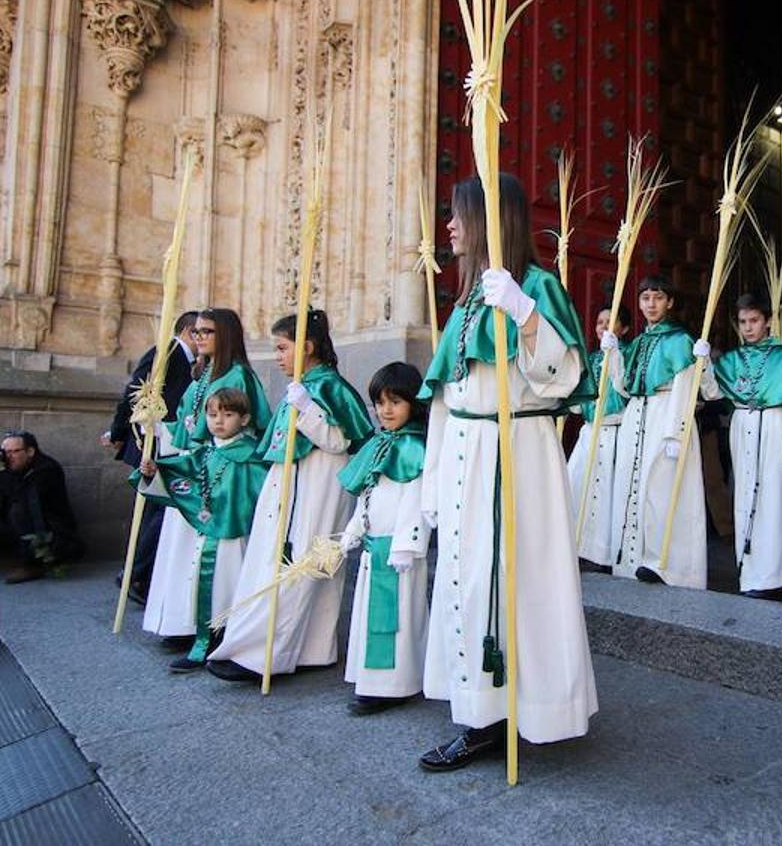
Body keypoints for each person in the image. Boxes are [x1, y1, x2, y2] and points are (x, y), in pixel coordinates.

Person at [417, 172, 597, 772]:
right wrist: (433, 484)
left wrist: (525, 315)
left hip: (517, 451)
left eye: (458, 215)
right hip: (467, 455)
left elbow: (566, 376)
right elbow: (446, 397)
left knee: (521, 582)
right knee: (468, 583)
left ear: (494, 221)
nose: (449, 227)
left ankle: (533, 709)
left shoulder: (537, 286)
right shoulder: (465, 303)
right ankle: (478, 713)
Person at [208, 310, 373, 683]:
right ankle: (312, 648)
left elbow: (340, 441)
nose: (278, 356)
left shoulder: (329, 387)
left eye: (283, 348)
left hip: (318, 482)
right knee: (290, 560)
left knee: (303, 563)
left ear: (308, 347)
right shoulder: (300, 386)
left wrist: (309, 409)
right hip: (289, 481)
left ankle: (265, 654)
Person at [142, 308, 271, 643]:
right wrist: (154, 423)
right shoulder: (201, 375)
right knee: (181, 547)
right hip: (192, 464)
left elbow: (252, 424)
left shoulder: (238, 376)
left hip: (220, 469)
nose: (198, 337)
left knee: (209, 551)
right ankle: (180, 621)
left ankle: (205, 625)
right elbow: (186, 424)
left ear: (224, 335)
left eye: (206, 332)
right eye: (196, 332)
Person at [134, 388, 268, 672]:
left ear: (244, 419)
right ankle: (205, 639)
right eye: (212, 414)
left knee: (231, 585)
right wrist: (153, 470)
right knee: (207, 585)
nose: (219, 421)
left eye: (228, 414)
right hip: (208, 533)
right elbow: (180, 470)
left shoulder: (250, 457)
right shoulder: (206, 452)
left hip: (236, 535)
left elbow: (264, 496)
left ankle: (225, 640)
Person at [601, 274, 718, 589]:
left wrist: (675, 434)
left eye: (657, 297)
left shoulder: (680, 341)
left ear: (670, 302)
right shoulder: (639, 342)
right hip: (638, 415)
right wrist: (613, 356)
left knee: (663, 491)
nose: (650, 304)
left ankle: (669, 565)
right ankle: (633, 559)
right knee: (634, 486)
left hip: (667, 415)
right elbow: (624, 388)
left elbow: (695, 390)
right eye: (645, 298)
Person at [337, 362, 430, 715]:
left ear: (412, 403)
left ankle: (397, 683)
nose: (385, 410)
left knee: (399, 620)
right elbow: (368, 494)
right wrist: (352, 532)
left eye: (395, 402)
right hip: (374, 548)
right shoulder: (380, 444)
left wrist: (407, 544)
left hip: (399, 551)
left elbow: (415, 498)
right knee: (370, 617)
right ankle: (372, 679)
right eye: (379, 402)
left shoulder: (414, 447)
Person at [711, 294, 782, 599]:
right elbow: (713, 392)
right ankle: (750, 573)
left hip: (775, 429)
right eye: (743, 322)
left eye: (754, 321)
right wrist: (703, 364)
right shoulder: (731, 360)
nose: (748, 328)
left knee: (774, 502)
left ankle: (773, 576)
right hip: (743, 427)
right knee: (744, 500)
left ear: (767, 321)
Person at [104, 310, 198, 604]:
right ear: (187, 331)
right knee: (157, 510)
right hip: (153, 443)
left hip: (166, 442)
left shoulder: (187, 361)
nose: (203, 340)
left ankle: (138, 574)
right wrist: (118, 430)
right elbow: (135, 389)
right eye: (200, 333)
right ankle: (137, 575)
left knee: (154, 512)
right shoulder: (166, 352)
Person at [0, 431, 83, 585]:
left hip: (51, 532)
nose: (8, 456)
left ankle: (36, 564)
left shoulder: (47, 469)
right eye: (5, 452)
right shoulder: (11, 467)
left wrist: (1, 471)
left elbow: (24, 497)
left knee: (20, 510)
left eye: (13, 452)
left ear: (30, 451)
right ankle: (29, 558)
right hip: (13, 527)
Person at [566, 304, 632, 573]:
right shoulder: (590, 358)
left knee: (607, 495)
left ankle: (604, 552)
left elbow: (625, 388)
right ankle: (576, 546)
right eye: (599, 322)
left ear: (623, 329)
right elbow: (578, 401)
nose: (603, 327)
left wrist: (614, 355)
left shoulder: (628, 354)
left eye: (610, 322)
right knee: (578, 486)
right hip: (590, 431)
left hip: (616, 431)